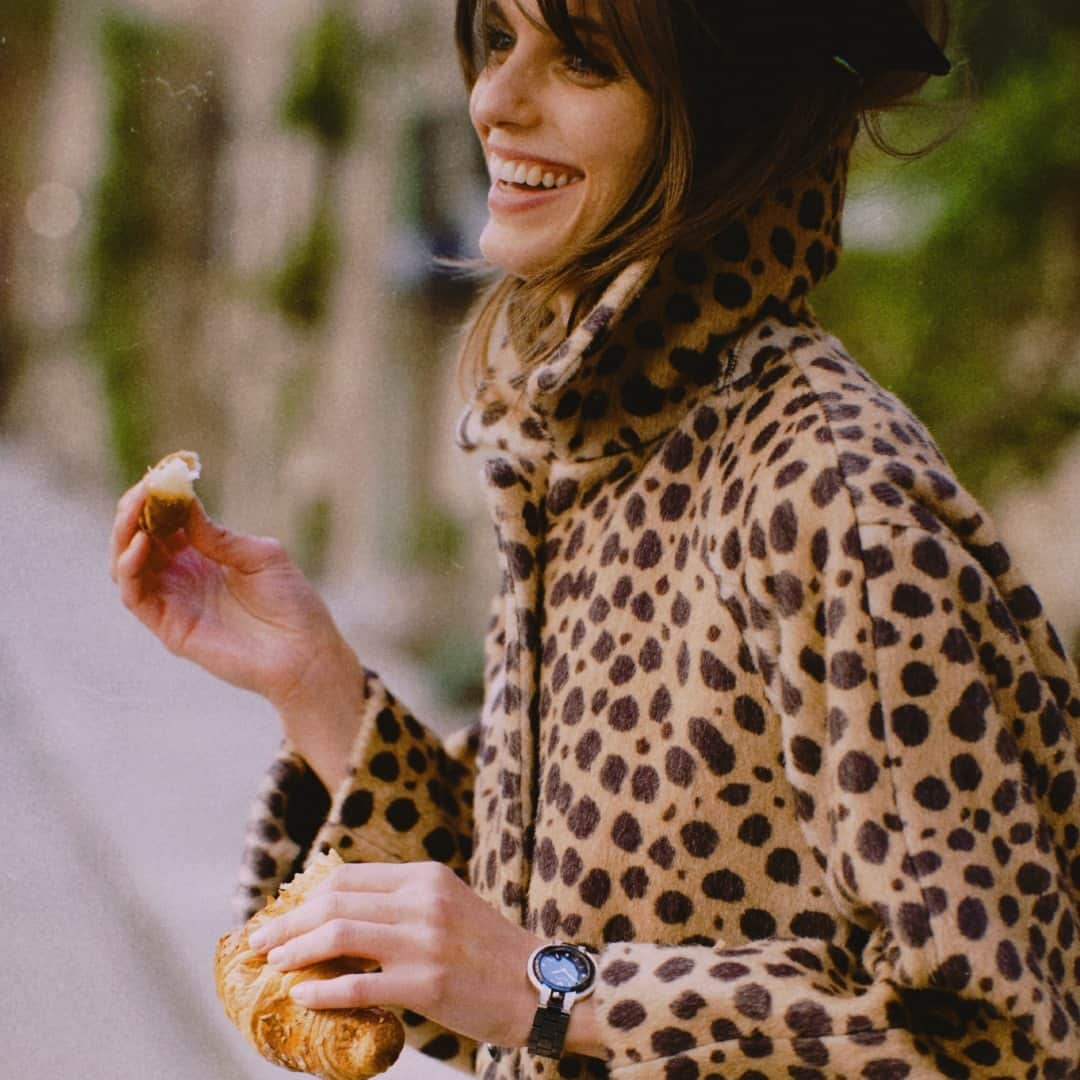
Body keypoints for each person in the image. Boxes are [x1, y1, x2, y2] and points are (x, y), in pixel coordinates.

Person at [111, 1, 1080, 1077]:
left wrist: (545, 987)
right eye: (498, 41)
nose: (493, 100)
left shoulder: (832, 497)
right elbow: (514, 939)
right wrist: (317, 686)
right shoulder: (595, 461)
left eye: (581, 58)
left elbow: (1000, 1042)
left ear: (721, 111)